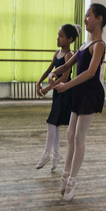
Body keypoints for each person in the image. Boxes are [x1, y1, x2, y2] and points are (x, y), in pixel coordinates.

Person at [48, 3, 106, 201]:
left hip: (89, 93)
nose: (85, 19)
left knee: (79, 137)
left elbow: (91, 72)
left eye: (88, 15)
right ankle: (65, 175)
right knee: (70, 134)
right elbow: (68, 64)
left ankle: (73, 179)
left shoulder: (98, 45)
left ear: (99, 18)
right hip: (78, 92)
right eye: (86, 16)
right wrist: (53, 72)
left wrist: (66, 86)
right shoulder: (85, 44)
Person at [35, 23, 79, 171]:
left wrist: (47, 88)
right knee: (55, 124)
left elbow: (65, 77)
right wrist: (39, 82)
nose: (58, 39)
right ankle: (56, 155)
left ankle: (47, 154)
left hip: (65, 92)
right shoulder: (57, 53)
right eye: (58, 36)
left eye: (61, 36)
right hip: (57, 91)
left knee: (51, 122)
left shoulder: (69, 55)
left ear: (69, 39)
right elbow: (50, 69)